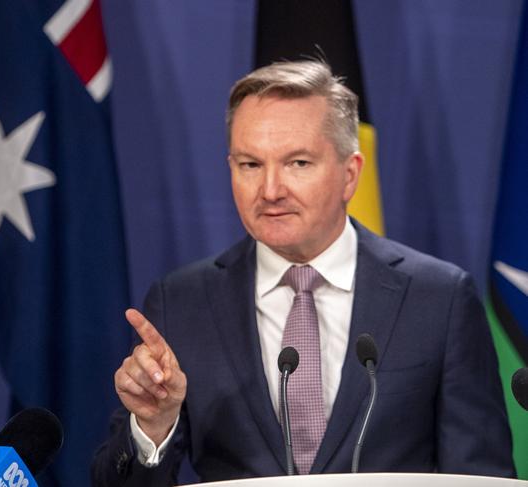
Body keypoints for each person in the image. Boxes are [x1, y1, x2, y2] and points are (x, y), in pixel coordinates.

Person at [91, 60, 515, 486]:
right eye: (250, 165)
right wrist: (152, 428)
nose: (271, 190)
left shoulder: (439, 299)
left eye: (297, 163)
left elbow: (483, 475)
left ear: (350, 175)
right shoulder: (181, 302)